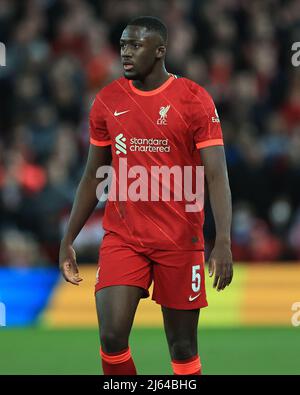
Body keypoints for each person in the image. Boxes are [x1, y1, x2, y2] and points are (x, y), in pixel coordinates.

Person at [59, 16, 233, 376]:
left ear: (159, 51)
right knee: (111, 337)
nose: (125, 52)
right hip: (124, 237)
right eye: (123, 44)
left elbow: (216, 174)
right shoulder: (107, 101)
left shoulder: (194, 100)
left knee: (183, 348)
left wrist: (223, 240)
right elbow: (93, 175)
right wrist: (68, 238)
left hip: (179, 239)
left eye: (135, 46)